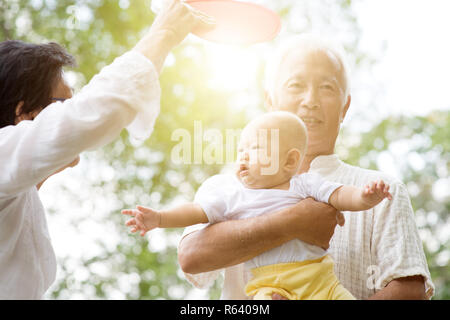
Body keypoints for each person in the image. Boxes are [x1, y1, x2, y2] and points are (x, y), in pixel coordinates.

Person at [177, 35, 434, 300]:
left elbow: (411, 291)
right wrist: (293, 222)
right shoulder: (226, 186)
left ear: (345, 107)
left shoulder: (382, 192)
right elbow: (191, 257)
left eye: (327, 88)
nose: (310, 100)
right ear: (270, 102)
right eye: (296, 85)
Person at [0, 0, 215, 299]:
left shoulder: (19, 198)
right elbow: (97, 110)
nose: (70, 114)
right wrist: (163, 33)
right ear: (25, 114)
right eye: (62, 105)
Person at [123, 111, 394, 300]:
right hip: (269, 285)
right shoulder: (233, 194)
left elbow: (340, 195)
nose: (243, 156)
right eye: (242, 150)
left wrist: (365, 198)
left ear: (289, 162)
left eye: (255, 149)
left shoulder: (303, 184)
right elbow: (196, 211)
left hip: (322, 282)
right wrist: (159, 218)